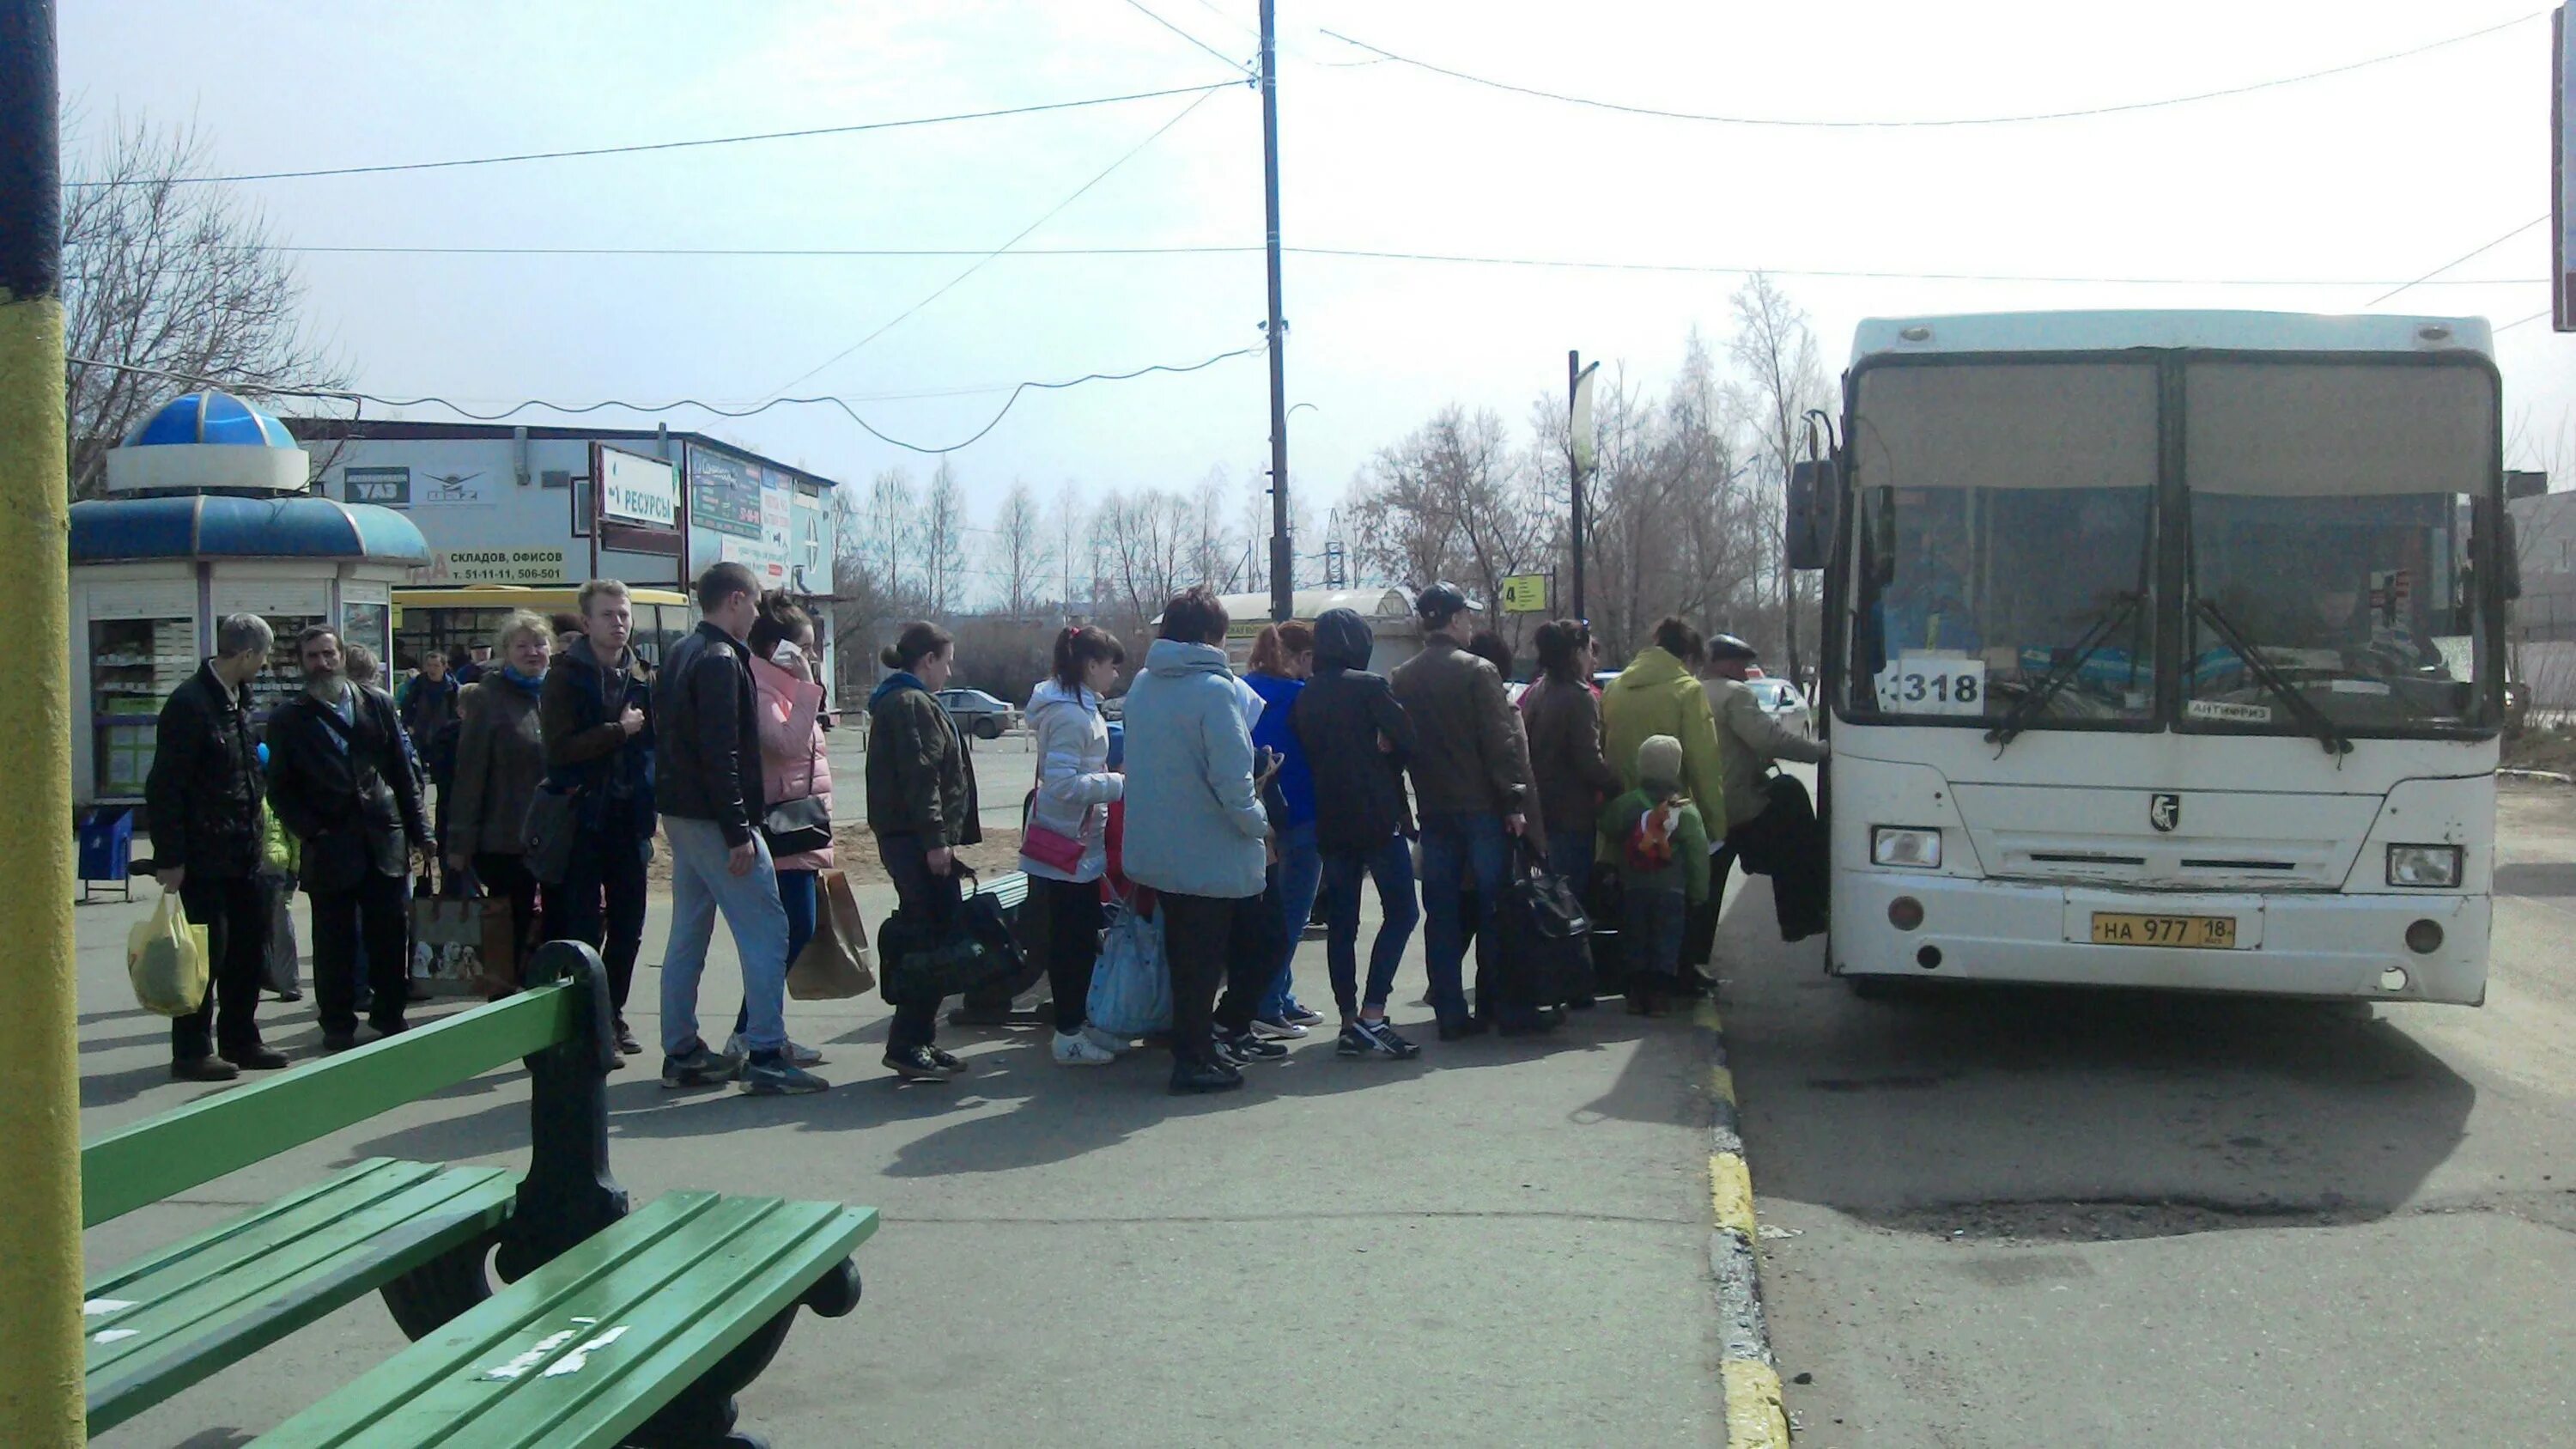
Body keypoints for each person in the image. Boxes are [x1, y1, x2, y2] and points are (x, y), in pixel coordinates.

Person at [654, 562, 824, 1095]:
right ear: (733, 600)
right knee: (769, 929)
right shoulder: (722, 659)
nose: (756, 614)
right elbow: (722, 753)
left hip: (681, 814)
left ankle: (681, 1050)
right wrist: (737, 831)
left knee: (689, 931)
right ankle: (767, 1052)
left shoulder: (681, 653)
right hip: (717, 818)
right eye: (751, 604)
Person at [1122, 587, 1285, 1093]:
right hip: (1211, 849)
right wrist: (1263, 824)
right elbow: (1233, 785)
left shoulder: (1143, 685)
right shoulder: (1215, 692)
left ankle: (1202, 1043)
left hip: (1158, 846)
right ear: (1214, 636)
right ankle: (1196, 1053)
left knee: (1191, 957)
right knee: (1255, 942)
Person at [264, 624, 434, 1051]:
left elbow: (402, 772)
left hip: (383, 837)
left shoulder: (375, 703)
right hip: (328, 845)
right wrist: (311, 829)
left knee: (390, 934)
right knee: (333, 940)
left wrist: (421, 831)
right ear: (301, 665)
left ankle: (390, 1015)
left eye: (328, 654)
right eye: (313, 657)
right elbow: (280, 788)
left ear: (342, 656)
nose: (323, 663)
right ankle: (337, 1023)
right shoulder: (289, 718)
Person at [1389, 582, 1539, 1038]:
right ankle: (1499, 1006)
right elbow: (1500, 742)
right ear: (1454, 620)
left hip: (1434, 809)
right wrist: (1514, 800)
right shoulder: (1479, 671)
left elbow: (1396, 751)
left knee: (1443, 913)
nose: (1471, 623)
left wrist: (1405, 810)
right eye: (1467, 616)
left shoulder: (1403, 677)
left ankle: (1450, 1012)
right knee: (1494, 908)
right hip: (1481, 809)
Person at [145, 612, 288, 1080]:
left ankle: (242, 1039)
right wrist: (170, 858)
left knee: (248, 950)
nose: (264, 666)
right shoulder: (189, 705)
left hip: (243, 851)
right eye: (262, 657)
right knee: (205, 953)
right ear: (246, 655)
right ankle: (191, 1050)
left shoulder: (237, 701)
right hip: (203, 856)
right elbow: (165, 786)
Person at [1293, 606, 1422, 1059]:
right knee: (1403, 912)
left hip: (1332, 817)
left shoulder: (1307, 695)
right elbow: (1410, 739)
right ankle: (1374, 1011)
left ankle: (1349, 1020)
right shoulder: (1370, 688)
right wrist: (1385, 749)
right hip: (1376, 816)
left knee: (1343, 924)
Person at [539, 578, 654, 1058]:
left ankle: (614, 1013)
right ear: (586, 622)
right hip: (581, 815)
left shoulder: (643, 676)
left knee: (629, 924)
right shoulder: (566, 676)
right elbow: (561, 749)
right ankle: (587, 1020)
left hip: (630, 816)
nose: (618, 623)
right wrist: (617, 731)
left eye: (624, 614)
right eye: (608, 615)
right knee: (582, 925)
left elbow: (656, 744)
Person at [865, 619, 980, 1083]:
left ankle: (920, 1039)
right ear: (927, 660)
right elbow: (921, 777)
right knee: (930, 941)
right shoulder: (911, 703)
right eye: (946, 663)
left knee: (933, 935)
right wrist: (936, 841)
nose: (949, 673)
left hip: (912, 839)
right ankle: (908, 1043)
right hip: (916, 842)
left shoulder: (905, 700)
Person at [1018, 624, 1129, 1067]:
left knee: (1080, 939)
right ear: (1090, 665)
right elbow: (1061, 783)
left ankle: (1077, 1024)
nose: (1115, 675)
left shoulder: (1077, 708)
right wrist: (1117, 784)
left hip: (1076, 847)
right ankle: (1068, 1031)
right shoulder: (1069, 714)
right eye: (1110, 666)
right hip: (1065, 849)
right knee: (1071, 943)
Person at [1601, 617, 1730, 989]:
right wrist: (1714, 823)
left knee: (1634, 908)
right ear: (1688, 656)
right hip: (1670, 819)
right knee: (1676, 908)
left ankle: (1633, 979)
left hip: (1625, 819)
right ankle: (1676, 974)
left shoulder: (1615, 689)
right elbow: (1704, 765)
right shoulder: (1687, 691)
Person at [731, 591, 831, 1068]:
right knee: (790, 931)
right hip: (780, 826)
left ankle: (759, 1030)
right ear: (780, 649)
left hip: (803, 824)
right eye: (805, 648)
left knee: (794, 929)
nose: (811, 657)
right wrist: (808, 687)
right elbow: (786, 747)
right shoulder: (763, 690)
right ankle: (750, 1032)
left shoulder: (783, 689)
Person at [446, 612, 552, 993]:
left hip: (558, 835)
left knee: (555, 927)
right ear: (505, 652)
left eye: (539, 644)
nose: (532, 652)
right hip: (506, 838)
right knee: (510, 928)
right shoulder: (488, 699)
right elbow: (470, 775)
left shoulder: (559, 692)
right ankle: (504, 1007)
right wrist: (459, 844)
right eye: (521, 645)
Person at [1699, 634, 1830, 943]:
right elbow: (1769, 738)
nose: (1745, 673)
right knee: (1792, 804)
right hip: (1737, 806)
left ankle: (1696, 959)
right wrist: (1819, 752)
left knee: (1706, 893)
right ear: (1728, 665)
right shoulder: (1735, 694)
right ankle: (1802, 917)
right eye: (1742, 666)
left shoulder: (1693, 690)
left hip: (1701, 805)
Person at [1243, 621, 1325, 1038]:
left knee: (1271, 912)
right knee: (1293, 914)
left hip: (1257, 815)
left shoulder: (1244, 692)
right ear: (1303, 657)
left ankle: (1280, 996)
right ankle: (1268, 1002)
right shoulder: (1301, 698)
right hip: (1303, 814)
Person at [1600, 735, 1711, 1016]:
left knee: (1635, 938)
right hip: (1672, 891)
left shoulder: (1628, 804)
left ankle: (1636, 995)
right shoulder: (1686, 812)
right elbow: (1698, 855)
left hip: (1633, 887)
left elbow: (1608, 826)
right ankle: (1660, 996)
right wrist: (1699, 892)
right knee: (1666, 941)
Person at [1522, 618, 1622, 886]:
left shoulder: (1539, 689)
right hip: (1572, 814)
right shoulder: (1579, 696)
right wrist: (1615, 784)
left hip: (1541, 808)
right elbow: (1588, 759)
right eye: (1589, 651)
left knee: (1552, 892)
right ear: (1577, 653)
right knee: (1571, 898)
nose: (1592, 658)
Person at [398, 649, 461, 886]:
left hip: (444, 739)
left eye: (436, 665)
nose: (432, 669)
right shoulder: (418, 684)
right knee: (418, 781)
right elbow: (406, 706)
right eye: (429, 664)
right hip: (422, 737)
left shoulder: (453, 687)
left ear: (445, 666)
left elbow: (457, 709)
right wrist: (410, 726)